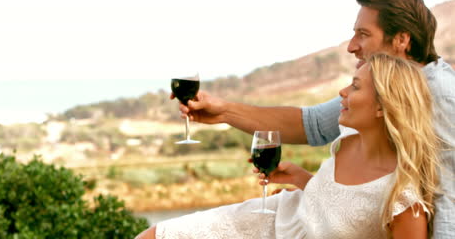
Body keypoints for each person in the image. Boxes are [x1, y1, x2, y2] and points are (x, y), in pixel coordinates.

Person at [174, 0, 455, 238]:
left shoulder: (440, 92)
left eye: (363, 34)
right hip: (303, 217)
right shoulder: (376, 88)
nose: (352, 47)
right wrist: (224, 112)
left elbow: (449, 198)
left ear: (401, 40)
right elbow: (313, 124)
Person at [136, 53, 440, 238]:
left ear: (382, 107)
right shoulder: (346, 139)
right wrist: (299, 177)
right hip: (273, 219)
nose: (343, 91)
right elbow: (341, 206)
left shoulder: (403, 201)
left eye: (356, 86)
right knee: (154, 235)